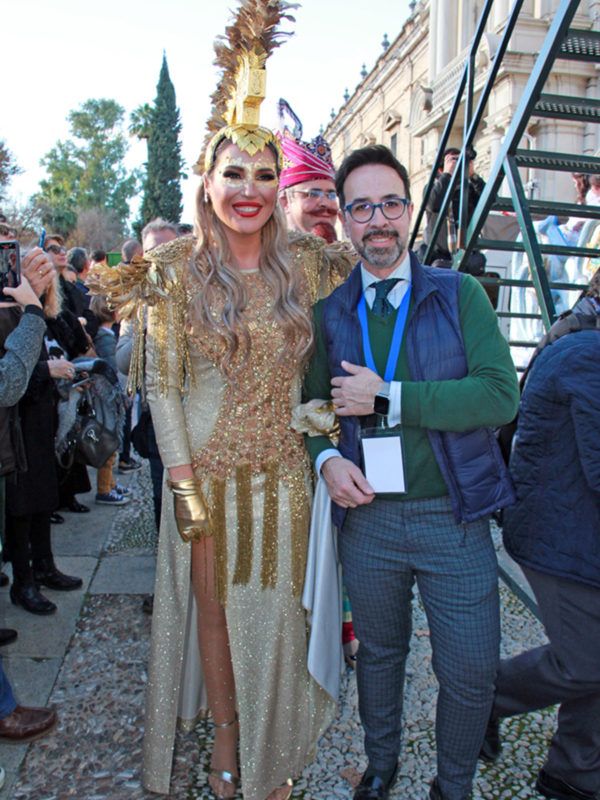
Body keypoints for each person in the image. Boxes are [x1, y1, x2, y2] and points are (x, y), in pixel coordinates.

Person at [89, 5, 353, 798]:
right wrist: (182, 482)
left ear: (282, 186)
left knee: (275, 628)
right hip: (201, 478)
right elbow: (161, 383)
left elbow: (381, 264)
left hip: (283, 484)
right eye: (233, 173)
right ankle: (228, 752)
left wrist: (358, 200)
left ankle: (273, 755)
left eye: (265, 175)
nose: (249, 189)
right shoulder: (172, 271)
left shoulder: (308, 265)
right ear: (206, 181)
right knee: (212, 623)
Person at [303, 144, 520, 800]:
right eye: (362, 206)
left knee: (471, 668)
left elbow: (499, 395)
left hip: (453, 517)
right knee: (380, 654)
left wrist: (392, 395)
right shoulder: (330, 314)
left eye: (390, 203)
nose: (378, 220)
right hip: (368, 520)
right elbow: (311, 410)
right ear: (345, 219)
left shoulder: (462, 297)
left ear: (409, 210)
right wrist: (327, 458)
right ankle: (381, 765)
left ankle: (452, 786)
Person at [479, 272, 600, 800]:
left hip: (580, 533)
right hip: (561, 535)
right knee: (586, 660)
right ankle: (483, 697)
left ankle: (574, 769)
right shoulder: (586, 353)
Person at [43, 234, 93, 516]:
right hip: (51, 373)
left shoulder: (69, 288)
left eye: (63, 249)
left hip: (71, 365)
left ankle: (68, 495)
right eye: (53, 249)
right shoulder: (43, 287)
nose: (61, 253)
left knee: (72, 437)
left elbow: (84, 316)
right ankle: (52, 500)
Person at [277, 99, 341, 242]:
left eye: (331, 195)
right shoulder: (266, 260)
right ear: (285, 202)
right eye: (313, 194)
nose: (325, 203)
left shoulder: (351, 261)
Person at [89, 295, 131, 507]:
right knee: (109, 442)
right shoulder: (106, 339)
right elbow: (112, 372)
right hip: (108, 400)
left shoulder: (101, 336)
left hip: (106, 398)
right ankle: (104, 489)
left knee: (111, 442)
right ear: (115, 313)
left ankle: (111, 484)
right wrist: (122, 396)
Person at [422, 147, 486, 266]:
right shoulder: (433, 188)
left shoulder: (469, 190)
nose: (458, 167)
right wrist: (447, 174)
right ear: (441, 169)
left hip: (467, 256)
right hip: (440, 257)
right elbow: (434, 205)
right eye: (454, 162)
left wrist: (474, 177)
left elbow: (491, 202)